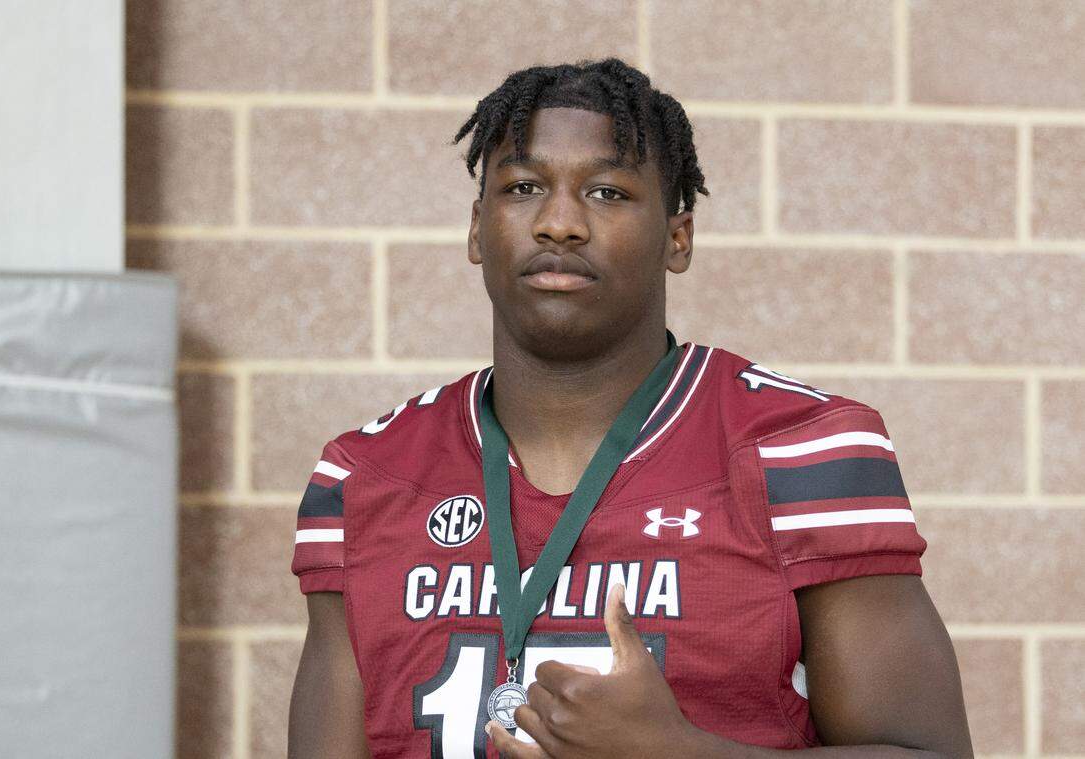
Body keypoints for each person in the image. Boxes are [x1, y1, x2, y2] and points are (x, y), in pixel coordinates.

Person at [287, 58, 973, 759]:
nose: (559, 222)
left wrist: (678, 751)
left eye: (608, 192)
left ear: (678, 237)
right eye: (523, 187)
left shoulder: (804, 451)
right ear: (476, 228)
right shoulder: (365, 475)